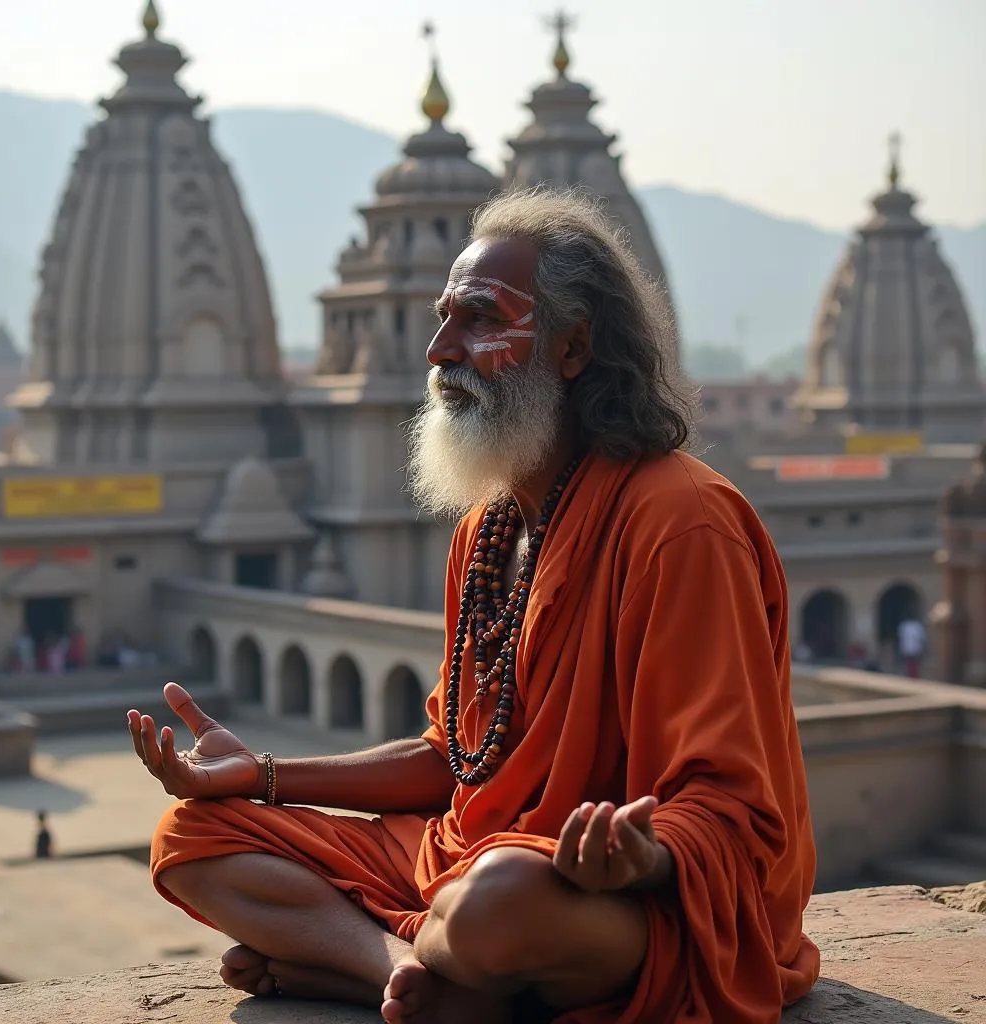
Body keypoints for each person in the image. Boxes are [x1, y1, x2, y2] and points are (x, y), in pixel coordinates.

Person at [131, 188, 819, 1024]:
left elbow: (727, 807)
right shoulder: (488, 532)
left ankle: (383, 962)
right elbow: (455, 758)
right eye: (441, 317)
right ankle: (398, 972)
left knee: (499, 900)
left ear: (574, 348)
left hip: (618, 898)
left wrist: (637, 859)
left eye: (478, 320)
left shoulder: (680, 521)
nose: (437, 349)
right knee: (192, 836)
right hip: (459, 858)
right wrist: (265, 776)